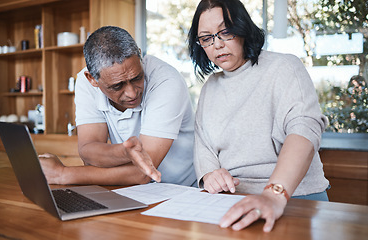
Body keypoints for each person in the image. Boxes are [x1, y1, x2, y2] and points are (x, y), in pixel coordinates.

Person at [188, 0, 329, 232]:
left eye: (226, 32)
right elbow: (203, 145)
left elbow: (304, 130)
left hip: (293, 197)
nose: (218, 44)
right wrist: (211, 175)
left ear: (243, 29)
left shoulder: (284, 67)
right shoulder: (210, 87)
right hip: (231, 200)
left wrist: (274, 195)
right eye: (207, 38)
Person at [39, 26, 196, 187]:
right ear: (92, 79)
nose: (132, 93)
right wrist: (123, 152)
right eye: (117, 86)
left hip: (181, 190)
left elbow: (143, 173)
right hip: (131, 190)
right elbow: (88, 151)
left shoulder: (166, 80)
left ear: (140, 56)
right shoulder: (85, 83)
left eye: (137, 77)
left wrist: (62, 174)